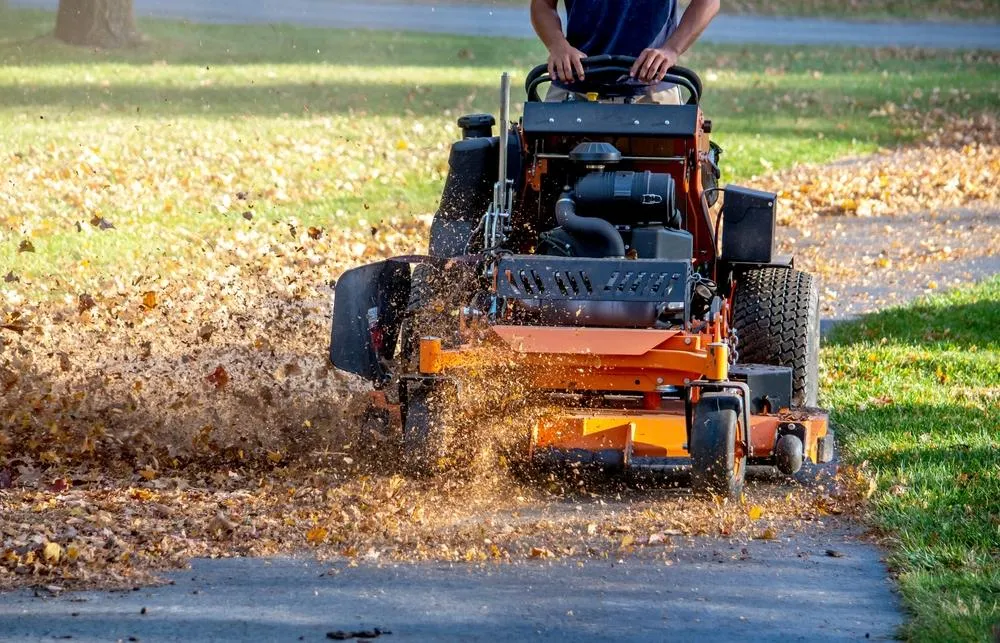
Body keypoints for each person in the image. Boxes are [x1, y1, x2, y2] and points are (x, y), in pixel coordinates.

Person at [530, 0, 720, 103]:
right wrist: (558, 45)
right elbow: (542, 4)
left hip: (652, 91)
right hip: (573, 87)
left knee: (665, 175)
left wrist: (671, 49)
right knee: (546, 171)